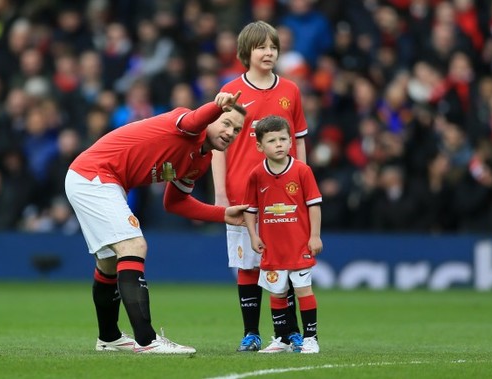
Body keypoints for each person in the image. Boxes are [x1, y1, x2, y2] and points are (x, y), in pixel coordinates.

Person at [65, 91, 247, 354]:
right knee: (134, 246)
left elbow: (175, 202)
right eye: (226, 123)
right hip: (94, 175)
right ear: (212, 118)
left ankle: (109, 337)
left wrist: (223, 214)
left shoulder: (201, 159)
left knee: (108, 262)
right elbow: (195, 119)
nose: (231, 132)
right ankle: (147, 340)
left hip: (98, 180)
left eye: (237, 129)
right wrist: (216, 106)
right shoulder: (186, 123)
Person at [211, 20, 308, 352]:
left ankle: (290, 333)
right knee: (247, 264)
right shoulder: (231, 91)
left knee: (287, 262)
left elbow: (299, 143)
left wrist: (304, 183)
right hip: (241, 192)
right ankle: (250, 333)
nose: (269, 53)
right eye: (261, 47)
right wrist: (221, 196)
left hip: (284, 194)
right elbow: (217, 144)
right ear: (246, 52)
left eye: (273, 46)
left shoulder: (290, 91)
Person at [243, 116, 322, 354]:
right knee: (277, 293)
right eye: (272, 140)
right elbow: (250, 208)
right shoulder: (256, 174)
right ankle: (282, 339)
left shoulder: (302, 170)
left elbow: (314, 205)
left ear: (290, 142)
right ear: (260, 146)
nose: (278, 144)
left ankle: (311, 338)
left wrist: (315, 236)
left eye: (283, 139)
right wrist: (253, 236)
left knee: (302, 290)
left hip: (299, 245)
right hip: (272, 247)